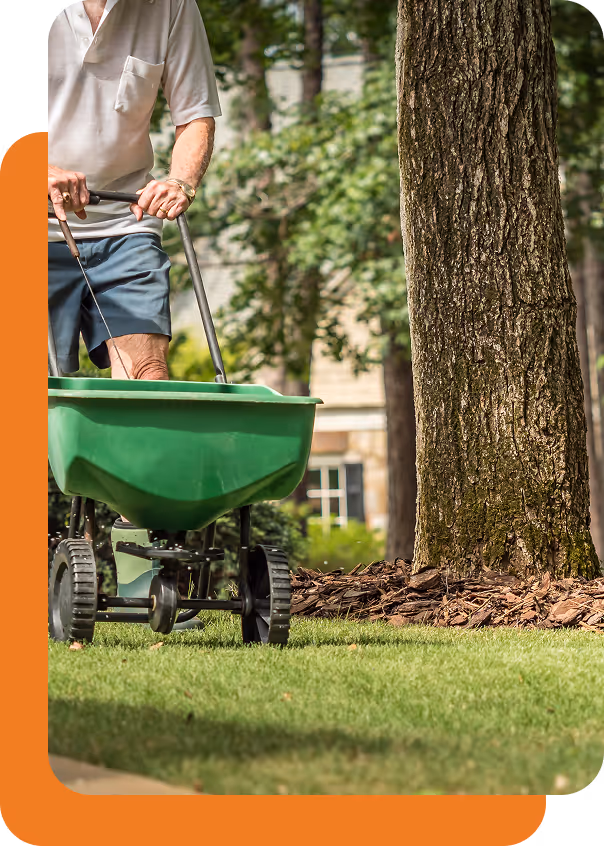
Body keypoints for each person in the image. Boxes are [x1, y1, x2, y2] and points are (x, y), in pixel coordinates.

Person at [48, 0, 222, 612]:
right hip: (27, 224)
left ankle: (142, 580)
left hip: (125, 226)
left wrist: (180, 180)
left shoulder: (171, 8)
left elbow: (195, 114)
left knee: (145, 388)